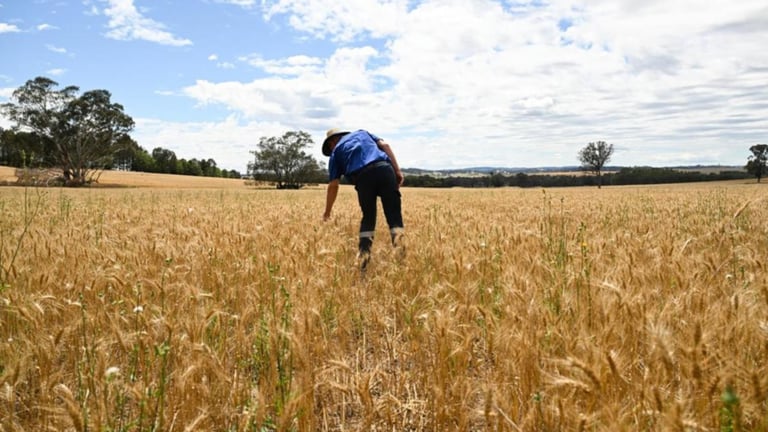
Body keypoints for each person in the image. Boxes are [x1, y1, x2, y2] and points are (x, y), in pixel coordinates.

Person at [322, 128, 405, 269]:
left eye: (329, 147)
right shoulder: (362, 133)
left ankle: (363, 263)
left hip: (363, 178)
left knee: (368, 218)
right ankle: (402, 260)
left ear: (333, 141)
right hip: (385, 169)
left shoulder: (336, 153)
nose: (331, 149)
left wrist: (327, 212)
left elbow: (333, 185)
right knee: (394, 217)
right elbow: (385, 146)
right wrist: (397, 171)